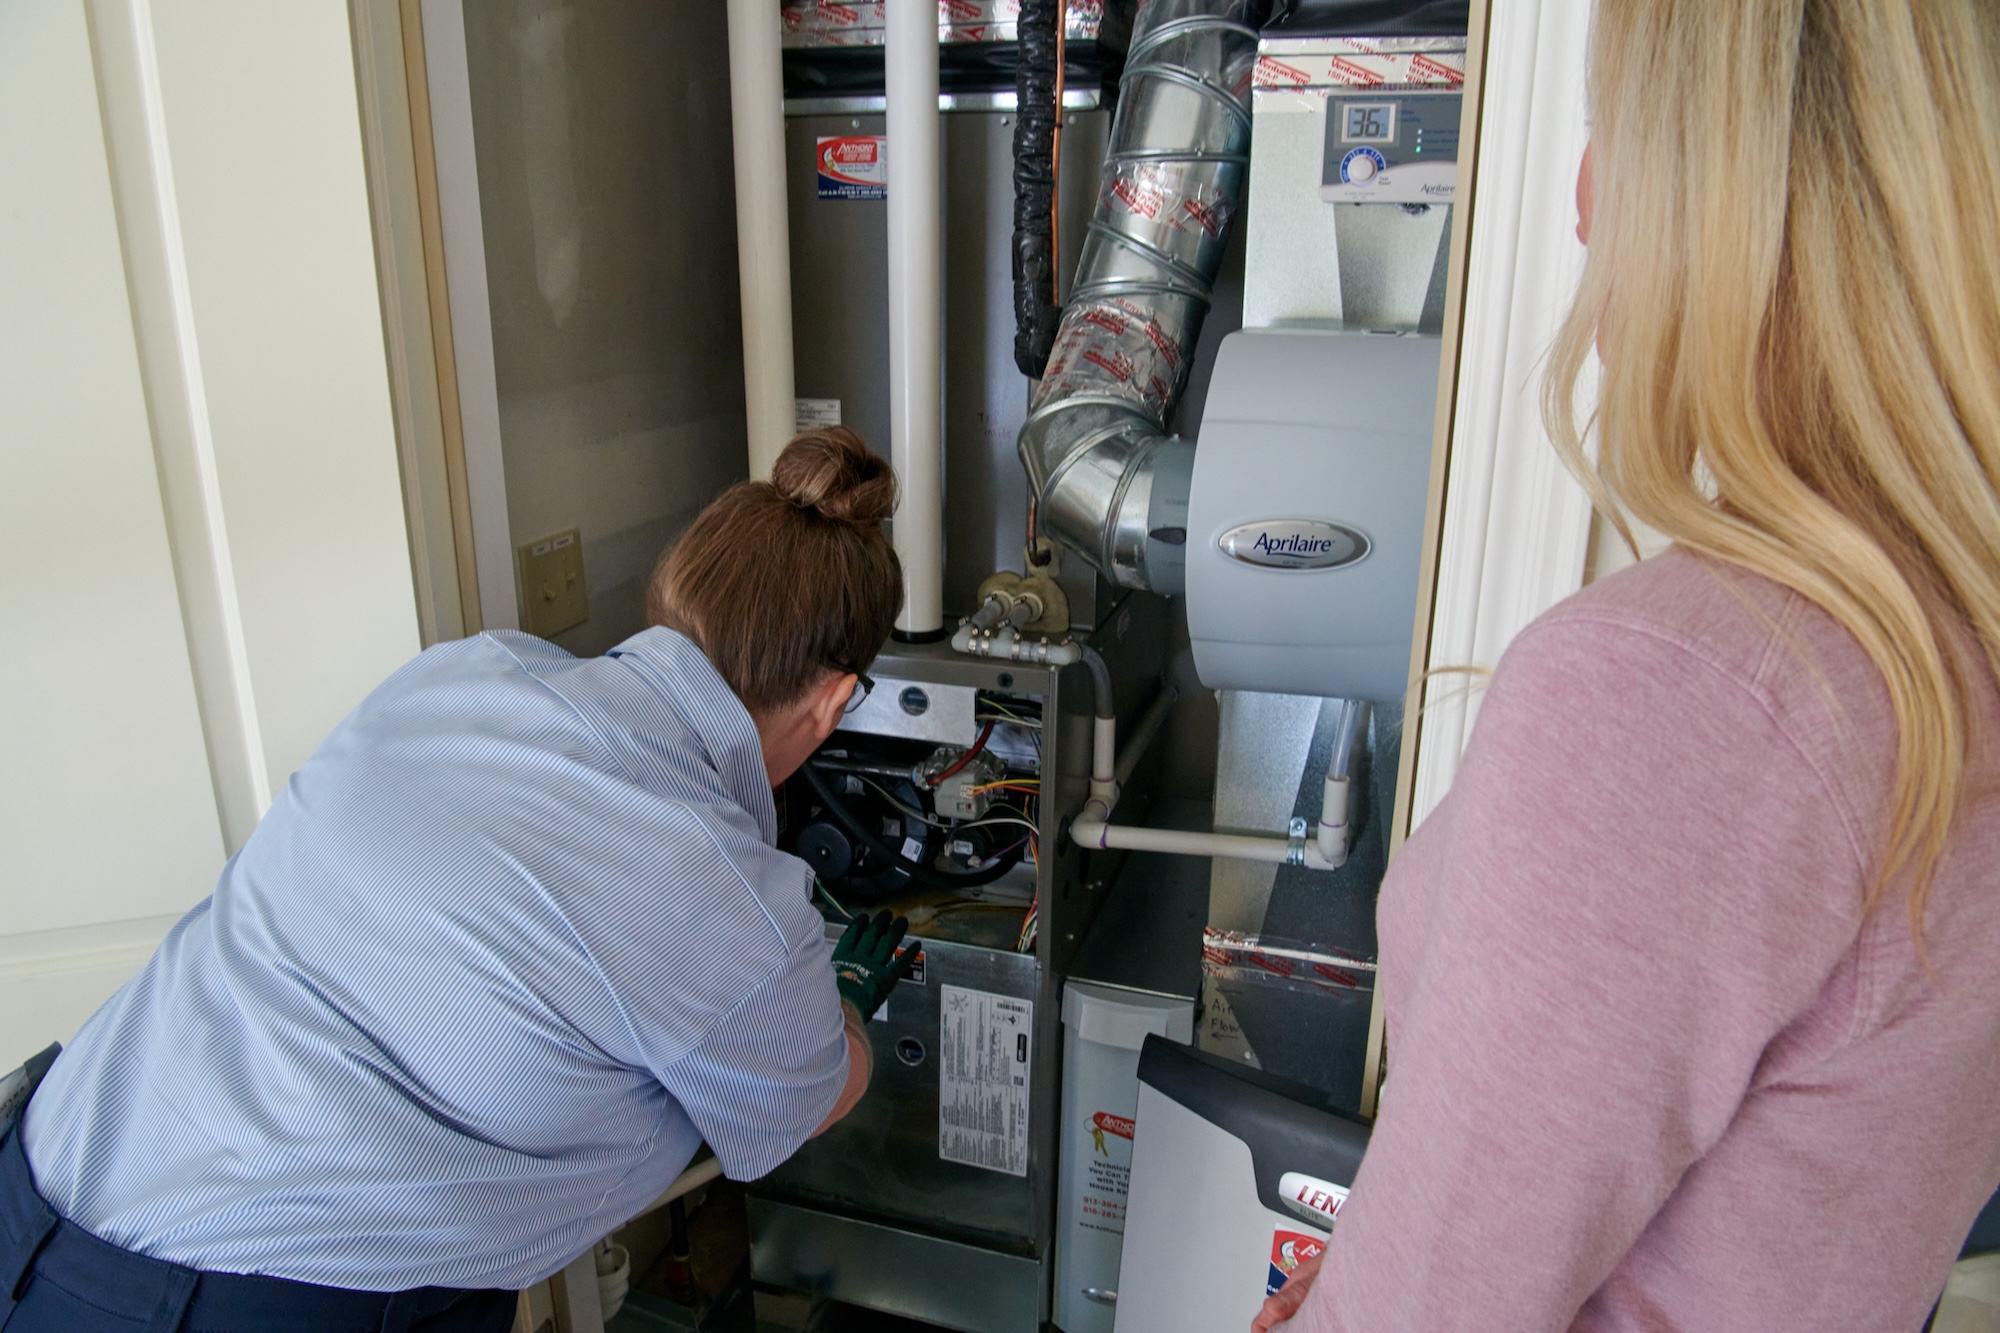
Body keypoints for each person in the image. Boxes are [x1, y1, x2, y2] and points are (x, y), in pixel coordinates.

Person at [1256, 1, 2000, 1329]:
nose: (1587, 207)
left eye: (1618, 138)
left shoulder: (1681, 691)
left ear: (1742, 204)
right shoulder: (1953, 647)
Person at [2, 428, 916, 1331]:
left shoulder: (465, 669)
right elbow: (807, 1098)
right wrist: (836, 1009)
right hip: (241, 1296)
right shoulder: (720, 895)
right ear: (836, 697)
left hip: (42, 1164)